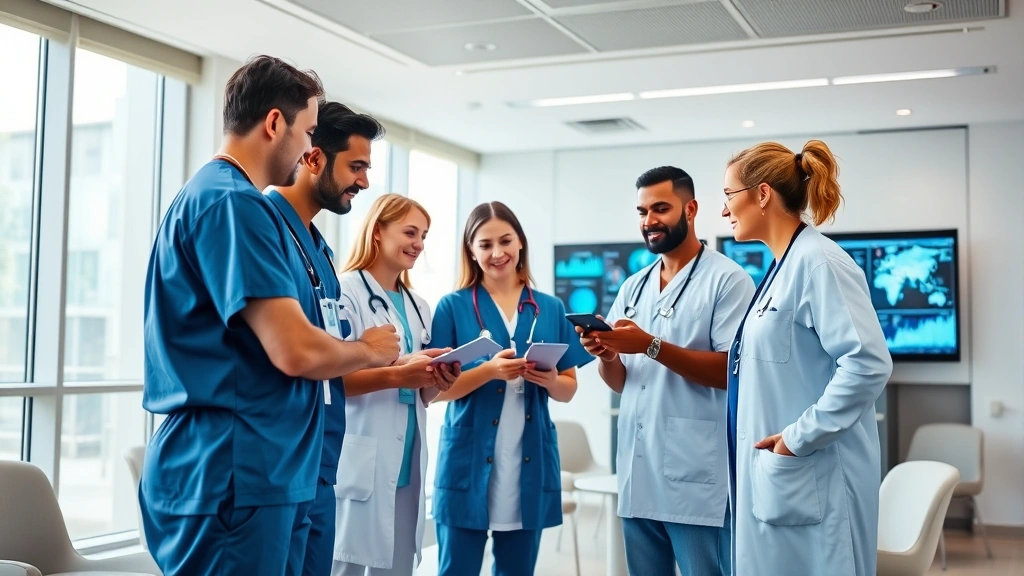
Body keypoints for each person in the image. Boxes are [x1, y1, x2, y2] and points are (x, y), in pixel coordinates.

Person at [140, 59, 400, 576]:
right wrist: (369, 351)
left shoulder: (218, 198)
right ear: (275, 124)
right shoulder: (233, 204)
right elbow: (296, 349)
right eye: (307, 131)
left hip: (259, 465)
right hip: (234, 467)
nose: (310, 150)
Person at [721, 140, 892, 576]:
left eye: (729, 196)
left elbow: (867, 363)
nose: (724, 211)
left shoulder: (819, 263)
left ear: (762, 195)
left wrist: (797, 439)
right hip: (781, 478)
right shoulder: (782, 267)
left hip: (814, 474)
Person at [576, 167, 753, 576]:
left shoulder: (727, 281)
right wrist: (606, 354)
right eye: (642, 211)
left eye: (660, 208)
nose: (648, 220)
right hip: (639, 475)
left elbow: (732, 372)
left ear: (690, 209)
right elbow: (621, 382)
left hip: (694, 478)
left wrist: (650, 346)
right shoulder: (634, 287)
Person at [269, 100, 413, 576]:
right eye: (356, 166)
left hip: (320, 461)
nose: (365, 182)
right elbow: (293, 353)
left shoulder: (318, 249)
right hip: (278, 466)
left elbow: (330, 358)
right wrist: (372, 354)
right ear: (313, 159)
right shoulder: (264, 229)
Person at [429, 201, 594, 576]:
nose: (497, 252)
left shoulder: (549, 308)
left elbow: (569, 389)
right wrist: (488, 371)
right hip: (467, 464)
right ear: (471, 250)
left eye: (505, 240)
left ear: (520, 243)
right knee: (456, 569)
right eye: (485, 244)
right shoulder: (452, 307)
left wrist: (551, 381)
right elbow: (436, 391)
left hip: (528, 463)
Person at [331, 194, 461, 576]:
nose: (419, 244)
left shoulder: (420, 305)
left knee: (398, 566)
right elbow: (335, 380)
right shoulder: (344, 293)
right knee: (347, 565)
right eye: (410, 232)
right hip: (361, 454)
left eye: (424, 235)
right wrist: (398, 373)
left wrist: (438, 378)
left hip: (408, 458)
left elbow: (421, 393)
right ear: (377, 232)